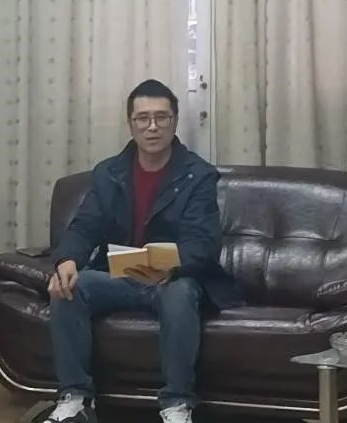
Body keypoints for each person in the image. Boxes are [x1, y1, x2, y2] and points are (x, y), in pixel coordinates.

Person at [44, 80, 240, 423]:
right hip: (119, 276)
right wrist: (67, 259)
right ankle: (75, 400)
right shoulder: (109, 173)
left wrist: (169, 265)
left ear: (174, 121)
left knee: (180, 292)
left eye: (161, 117)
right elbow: (84, 226)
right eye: (143, 118)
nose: (152, 126)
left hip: (172, 279)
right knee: (70, 287)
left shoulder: (197, 175)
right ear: (130, 123)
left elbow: (203, 243)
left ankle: (177, 406)